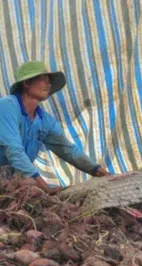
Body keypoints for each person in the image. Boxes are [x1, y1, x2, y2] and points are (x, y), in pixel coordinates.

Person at [0, 61, 109, 195]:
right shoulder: (7, 106)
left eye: (49, 80)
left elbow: (68, 150)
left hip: (9, 180)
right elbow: (14, 150)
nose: (48, 84)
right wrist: (45, 187)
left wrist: (99, 171)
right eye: (43, 79)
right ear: (27, 83)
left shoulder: (44, 120)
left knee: (28, 188)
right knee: (30, 186)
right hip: (5, 177)